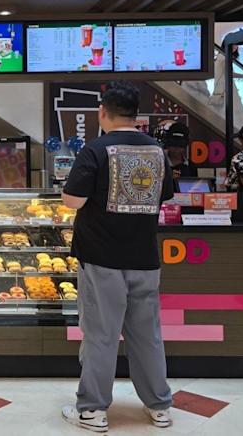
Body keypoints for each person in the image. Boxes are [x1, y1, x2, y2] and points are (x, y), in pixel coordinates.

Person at [60, 81, 174, 433]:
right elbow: (165, 196)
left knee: (101, 334)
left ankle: (92, 409)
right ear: (136, 115)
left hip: (102, 257)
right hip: (145, 258)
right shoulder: (157, 150)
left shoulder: (95, 150)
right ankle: (159, 406)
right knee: (147, 335)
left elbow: (72, 200)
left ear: (102, 112)